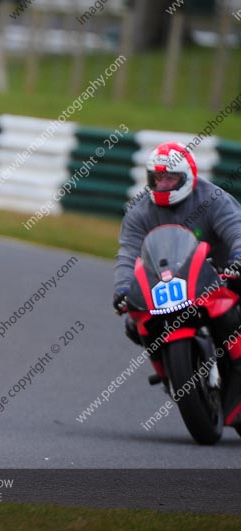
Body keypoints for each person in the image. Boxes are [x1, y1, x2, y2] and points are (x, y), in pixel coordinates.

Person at [113, 141, 241, 427]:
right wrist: (122, 289)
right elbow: (128, 252)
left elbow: (237, 230)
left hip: (222, 273)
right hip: (172, 282)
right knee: (134, 322)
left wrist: (238, 260)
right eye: (157, 178)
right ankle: (171, 372)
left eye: (170, 178)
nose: (163, 184)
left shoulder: (213, 199)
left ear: (188, 176)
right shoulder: (140, 211)